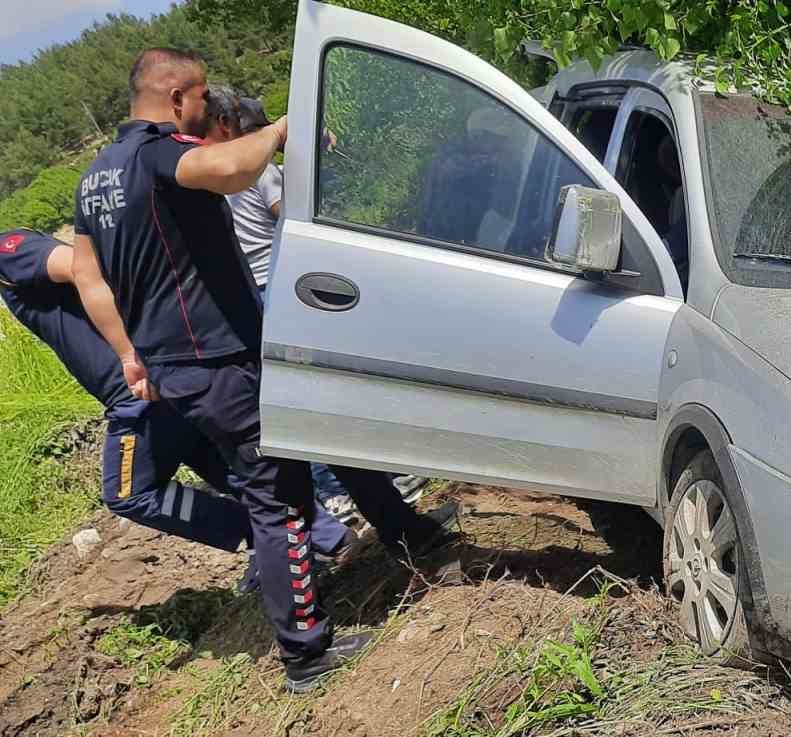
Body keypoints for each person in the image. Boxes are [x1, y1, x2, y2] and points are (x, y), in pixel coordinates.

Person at [69, 48, 454, 693]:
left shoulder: (95, 178)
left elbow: (86, 273)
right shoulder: (158, 151)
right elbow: (225, 168)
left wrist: (127, 352)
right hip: (217, 364)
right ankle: (306, 655)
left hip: (194, 362)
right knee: (279, 499)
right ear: (175, 100)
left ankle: (407, 532)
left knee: (325, 431)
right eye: (196, 102)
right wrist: (280, 129)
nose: (199, 115)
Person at [0, 228, 353, 575]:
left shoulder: (8, 250)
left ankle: (268, 535)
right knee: (233, 472)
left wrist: (130, 353)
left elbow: (83, 266)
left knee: (128, 494)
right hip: (158, 377)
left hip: (137, 391)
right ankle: (329, 539)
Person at [200, 85, 427, 523]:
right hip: (284, 287)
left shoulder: (211, 179)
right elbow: (297, 217)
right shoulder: (261, 173)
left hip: (252, 297)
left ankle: (335, 492)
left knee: (297, 393)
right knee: (339, 379)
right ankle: (389, 473)